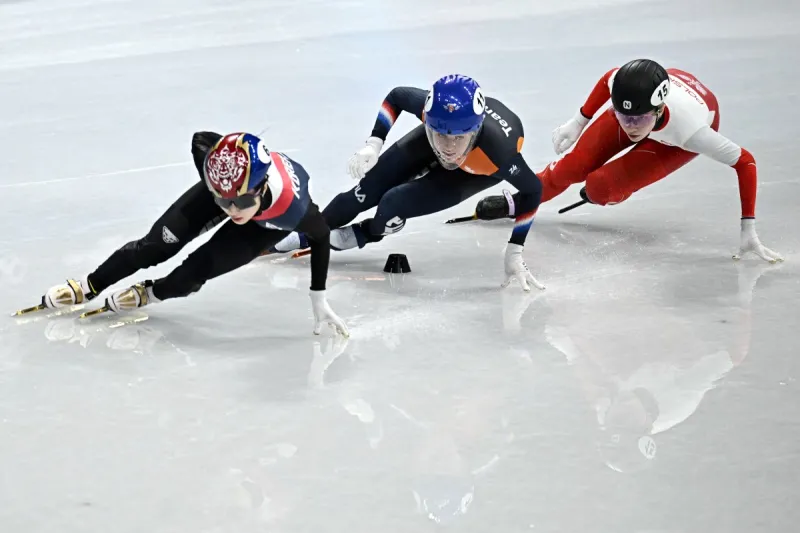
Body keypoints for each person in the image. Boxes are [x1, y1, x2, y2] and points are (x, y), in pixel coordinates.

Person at [18, 131, 349, 337]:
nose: (232, 210)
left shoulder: (293, 208)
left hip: (262, 226)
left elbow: (321, 237)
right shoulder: (222, 175)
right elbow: (201, 139)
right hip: (235, 185)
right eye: (224, 201)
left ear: (261, 187)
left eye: (240, 202)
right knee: (152, 248)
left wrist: (317, 296)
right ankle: (89, 285)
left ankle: (150, 293)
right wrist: (222, 193)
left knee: (191, 276)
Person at [471, 58, 783, 263]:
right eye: (622, 115)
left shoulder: (691, 132)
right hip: (654, 99)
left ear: (659, 110)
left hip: (676, 137)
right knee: (571, 167)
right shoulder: (627, 99)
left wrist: (748, 228)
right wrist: (578, 122)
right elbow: (611, 77)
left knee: (599, 187)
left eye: (639, 119)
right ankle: (519, 201)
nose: (629, 126)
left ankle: (600, 194)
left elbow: (746, 162)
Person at [269, 74, 546, 291]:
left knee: (393, 202)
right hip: (443, 142)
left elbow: (534, 190)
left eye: (458, 138)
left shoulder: (498, 152)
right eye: (440, 135)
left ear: (475, 132)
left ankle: (366, 233)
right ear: (428, 121)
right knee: (361, 194)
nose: (448, 148)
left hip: (474, 170)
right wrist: (373, 144)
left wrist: (514, 252)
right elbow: (397, 96)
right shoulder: (436, 115)